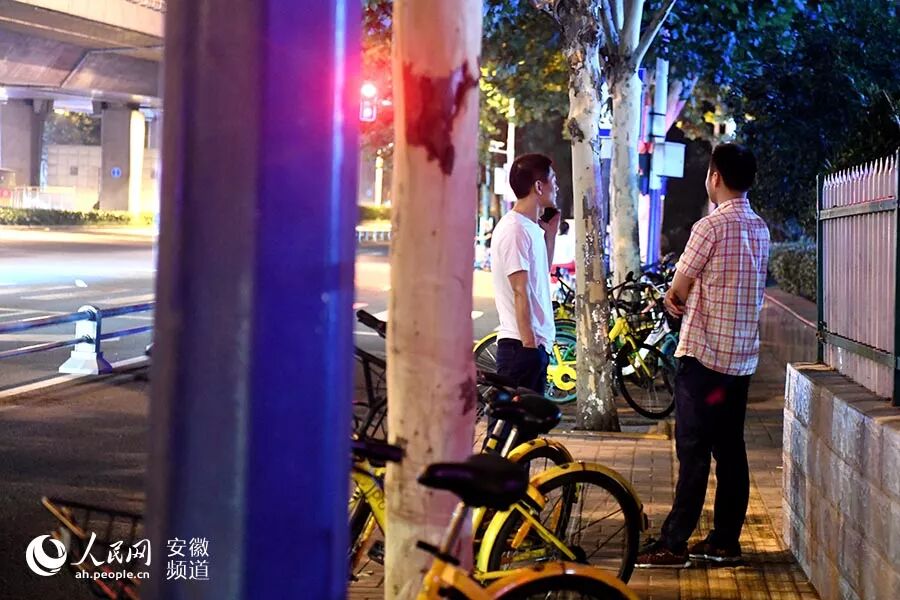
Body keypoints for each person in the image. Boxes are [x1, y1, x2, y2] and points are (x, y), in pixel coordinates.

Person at [636, 143, 770, 568]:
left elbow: (679, 288)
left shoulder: (709, 227)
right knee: (730, 450)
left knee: (693, 450)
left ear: (715, 177)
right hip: (739, 363)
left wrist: (673, 299)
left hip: (704, 361)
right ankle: (725, 541)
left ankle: (674, 543)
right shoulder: (760, 229)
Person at [490, 153, 560, 394]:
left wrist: (550, 235)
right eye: (553, 180)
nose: (557, 187)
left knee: (527, 419)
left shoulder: (530, 228)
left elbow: (539, 277)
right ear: (539, 186)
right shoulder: (515, 229)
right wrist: (530, 346)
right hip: (520, 347)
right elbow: (520, 290)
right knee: (512, 419)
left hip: (532, 346)